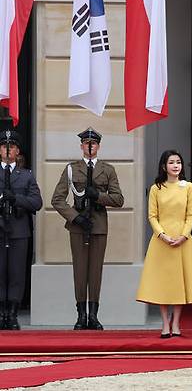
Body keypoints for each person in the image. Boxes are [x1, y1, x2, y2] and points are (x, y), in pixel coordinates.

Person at [51, 128, 124, 330]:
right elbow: (57, 199)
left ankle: (94, 315)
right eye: (86, 143)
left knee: (95, 271)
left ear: (98, 146)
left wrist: (98, 196)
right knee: (80, 270)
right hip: (79, 225)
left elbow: (118, 199)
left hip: (98, 225)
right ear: (81, 146)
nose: (89, 147)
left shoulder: (107, 170)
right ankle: (81, 315)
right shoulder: (71, 169)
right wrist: (76, 218)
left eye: (93, 144)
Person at [136, 150, 192, 338]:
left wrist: (183, 235)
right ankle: (165, 323)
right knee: (163, 283)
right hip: (161, 242)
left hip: (183, 240)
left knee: (179, 283)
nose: (176, 165)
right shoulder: (156, 188)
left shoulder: (189, 187)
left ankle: (176, 323)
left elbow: (191, 215)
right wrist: (162, 235)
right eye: (172, 162)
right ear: (164, 166)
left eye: (178, 162)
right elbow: (152, 216)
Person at [0, 131, 42, 330]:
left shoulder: (26, 176)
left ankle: (13, 313)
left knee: (16, 273)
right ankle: (2, 313)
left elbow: (36, 202)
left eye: (12, 147)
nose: (8, 150)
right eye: (4, 146)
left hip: (18, 230)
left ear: (17, 151)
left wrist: (16, 199)